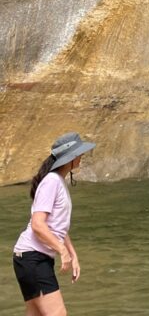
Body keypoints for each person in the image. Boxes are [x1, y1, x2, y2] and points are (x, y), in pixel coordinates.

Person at [12, 132, 95, 315]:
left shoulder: (57, 181)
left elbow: (57, 226)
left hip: (29, 258)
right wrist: (62, 250)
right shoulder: (52, 182)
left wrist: (73, 254)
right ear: (70, 158)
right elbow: (38, 224)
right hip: (33, 258)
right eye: (79, 153)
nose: (81, 156)